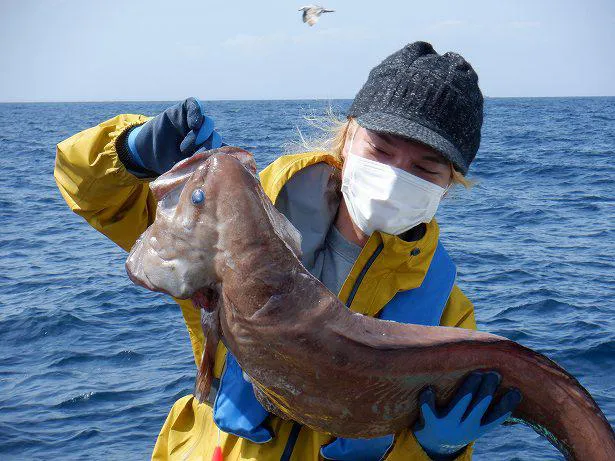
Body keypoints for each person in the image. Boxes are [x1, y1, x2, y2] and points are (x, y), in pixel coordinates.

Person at [54, 41, 521, 461]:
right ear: (348, 137)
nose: (396, 174)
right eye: (380, 149)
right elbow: (91, 191)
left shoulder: (446, 315)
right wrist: (129, 152)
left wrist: (432, 452)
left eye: (425, 167)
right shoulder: (241, 212)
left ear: (450, 183)